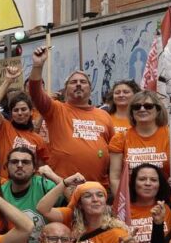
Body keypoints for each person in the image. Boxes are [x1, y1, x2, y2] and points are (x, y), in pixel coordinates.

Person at [28, 45, 114, 186]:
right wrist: (38, 65)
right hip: (62, 186)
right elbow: (35, 93)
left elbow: (114, 153)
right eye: (73, 82)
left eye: (83, 82)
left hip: (97, 188)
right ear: (65, 89)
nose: (78, 85)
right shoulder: (56, 109)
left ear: (90, 88)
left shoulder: (104, 115)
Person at [38, 180, 135, 243]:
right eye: (88, 196)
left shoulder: (118, 235)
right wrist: (64, 183)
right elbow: (42, 208)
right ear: (79, 204)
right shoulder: (71, 218)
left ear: (105, 202)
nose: (95, 199)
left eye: (100, 195)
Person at [0, 147, 63, 243]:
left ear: (34, 168)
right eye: (14, 162)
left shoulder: (45, 186)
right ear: (7, 167)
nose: (19, 165)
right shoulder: (0, 193)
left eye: (25, 162)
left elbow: (74, 199)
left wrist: (55, 177)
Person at [109, 89, 170, 195]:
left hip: (166, 198)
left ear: (158, 110)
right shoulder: (120, 138)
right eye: (136, 107)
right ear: (131, 112)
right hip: (131, 199)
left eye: (148, 106)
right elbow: (115, 178)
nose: (142, 109)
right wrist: (123, 203)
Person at [0, 66, 49, 172]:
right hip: (5, 180)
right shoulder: (4, 127)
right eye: (16, 110)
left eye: (23, 109)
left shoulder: (38, 140)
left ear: (31, 111)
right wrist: (8, 80)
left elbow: (41, 168)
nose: (20, 113)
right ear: (11, 113)